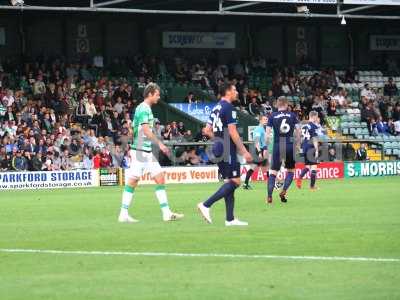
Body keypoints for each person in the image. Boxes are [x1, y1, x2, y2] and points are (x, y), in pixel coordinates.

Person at [118, 83, 183, 223]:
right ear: (150, 94)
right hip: (140, 151)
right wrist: (160, 143)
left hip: (143, 150)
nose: (159, 97)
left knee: (158, 178)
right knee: (133, 182)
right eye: (157, 94)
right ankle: (123, 214)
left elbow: (137, 129)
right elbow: (146, 131)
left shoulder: (144, 108)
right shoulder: (144, 109)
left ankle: (166, 213)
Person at [197, 83, 252, 226]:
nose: (237, 92)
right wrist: (244, 151)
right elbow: (233, 132)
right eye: (234, 90)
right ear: (227, 92)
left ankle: (230, 219)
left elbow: (206, 130)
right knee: (236, 181)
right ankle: (206, 205)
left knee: (229, 181)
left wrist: (219, 139)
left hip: (218, 147)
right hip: (227, 148)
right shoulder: (229, 108)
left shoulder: (216, 107)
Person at [265, 96, 301, 204]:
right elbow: (298, 131)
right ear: (286, 104)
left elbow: (267, 134)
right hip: (290, 145)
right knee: (290, 171)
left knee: (273, 172)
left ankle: (269, 197)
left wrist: (267, 147)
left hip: (277, 145)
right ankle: (284, 190)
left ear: (277, 104)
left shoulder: (272, 116)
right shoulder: (293, 115)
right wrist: (298, 145)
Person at [296, 111, 320, 190]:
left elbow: (299, 136)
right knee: (314, 167)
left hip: (304, 147)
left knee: (307, 166)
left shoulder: (303, 126)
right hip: (310, 147)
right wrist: (316, 150)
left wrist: (299, 147)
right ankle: (312, 186)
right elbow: (314, 139)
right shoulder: (313, 126)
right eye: (316, 117)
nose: (317, 119)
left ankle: (299, 178)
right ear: (313, 116)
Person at [243, 115, 268, 189]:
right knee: (267, 167)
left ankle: (245, 184)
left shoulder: (262, 128)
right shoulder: (258, 129)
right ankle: (273, 183)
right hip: (260, 150)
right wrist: (260, 152)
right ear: (260, 120)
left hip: (260, 150)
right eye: (264, 119)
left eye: (267, 119)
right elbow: (256, 141)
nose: (266, 120)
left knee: (253, 167)